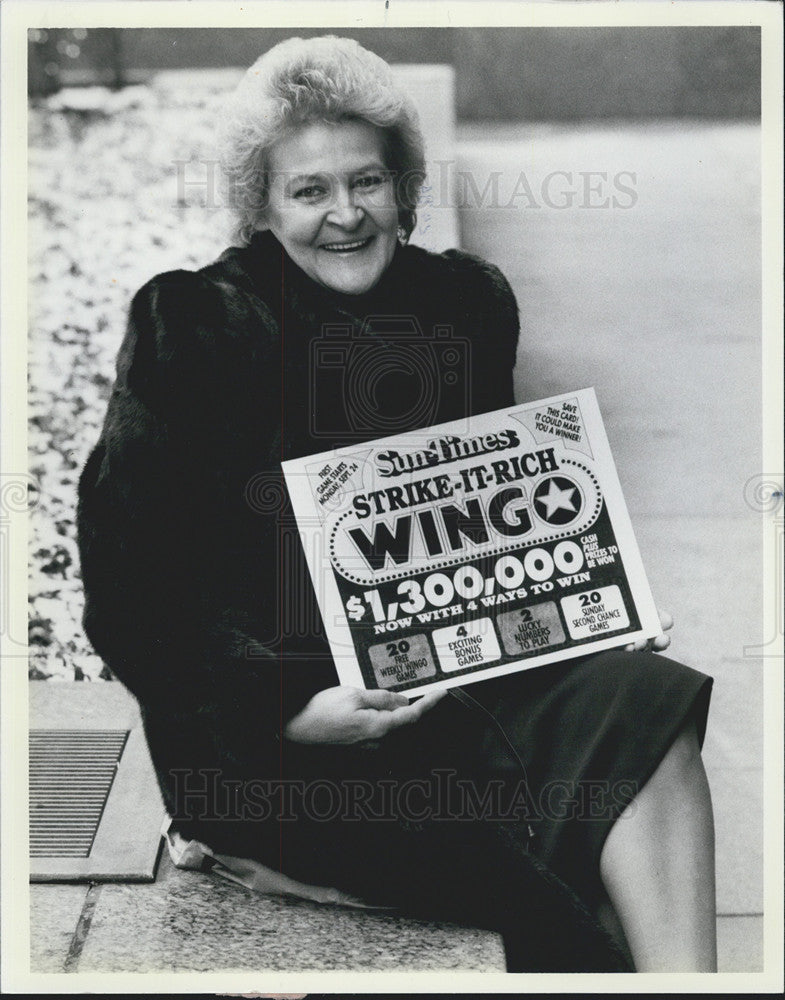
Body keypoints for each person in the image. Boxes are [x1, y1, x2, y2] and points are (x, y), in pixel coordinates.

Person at [76, 35, 716, 973]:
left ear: (403, 187)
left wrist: (586, 606)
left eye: (367, 183)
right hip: (278, 738)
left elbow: (483, 520)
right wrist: (285, 708)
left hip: (445, 683)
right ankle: (263, 852)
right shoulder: (197, 325)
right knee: (559, 918)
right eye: (309, 191)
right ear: (260, 206)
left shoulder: (461, 303)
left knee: (641, 703)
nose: (345, 215)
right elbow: (131, 590)